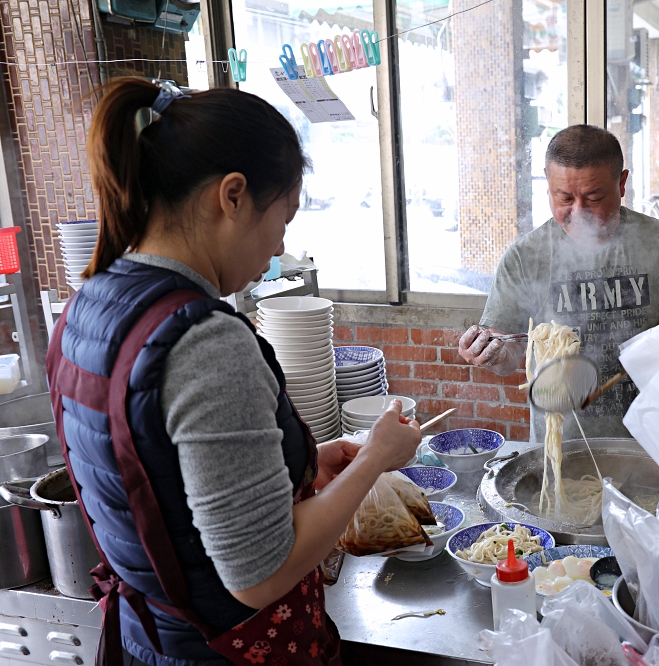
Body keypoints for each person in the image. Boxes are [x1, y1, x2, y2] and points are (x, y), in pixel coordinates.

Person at [46, 79, 421, 666]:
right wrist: (374, 459)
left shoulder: (88, 305)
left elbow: (169, 483)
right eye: (285, 219)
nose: (277, 250)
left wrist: (299, 463)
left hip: (150, 642)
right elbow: (259, 574)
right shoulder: (203, 338)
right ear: (233, 196)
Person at [458, 125, 659, 441]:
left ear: (621, 183)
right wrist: (490, 353)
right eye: (564, 198)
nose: (578, 213)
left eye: (593, 197)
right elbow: (509, 355)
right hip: (566, 444)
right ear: (547, 185)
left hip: (657, 442)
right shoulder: (526, 256)